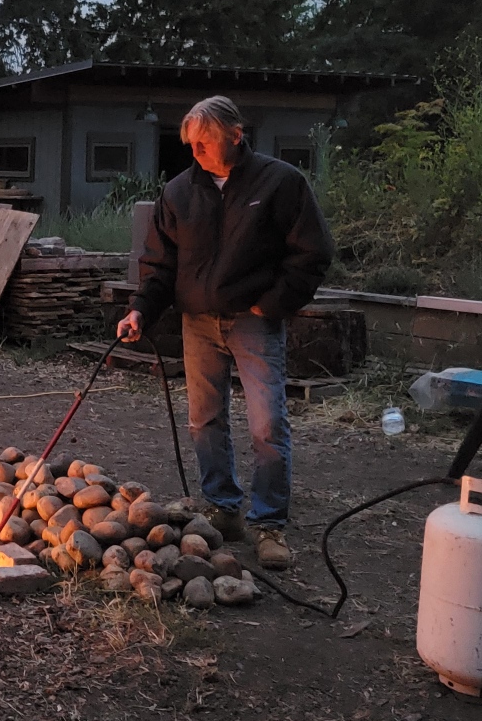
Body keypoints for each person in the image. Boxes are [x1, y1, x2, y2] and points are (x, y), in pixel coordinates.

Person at [115, 96, 334, 570]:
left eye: (205, 141)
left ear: (236, 134)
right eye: (190, 144)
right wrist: (140, 311)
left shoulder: (280, 182)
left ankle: (269, 522)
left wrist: (271, 303)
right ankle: (223, 506)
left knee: (267, 425)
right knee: (204, 420)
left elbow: (312, 253)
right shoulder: (178, 193)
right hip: (198, 322)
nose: (196, 152)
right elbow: (158, 264)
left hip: (254, 321)